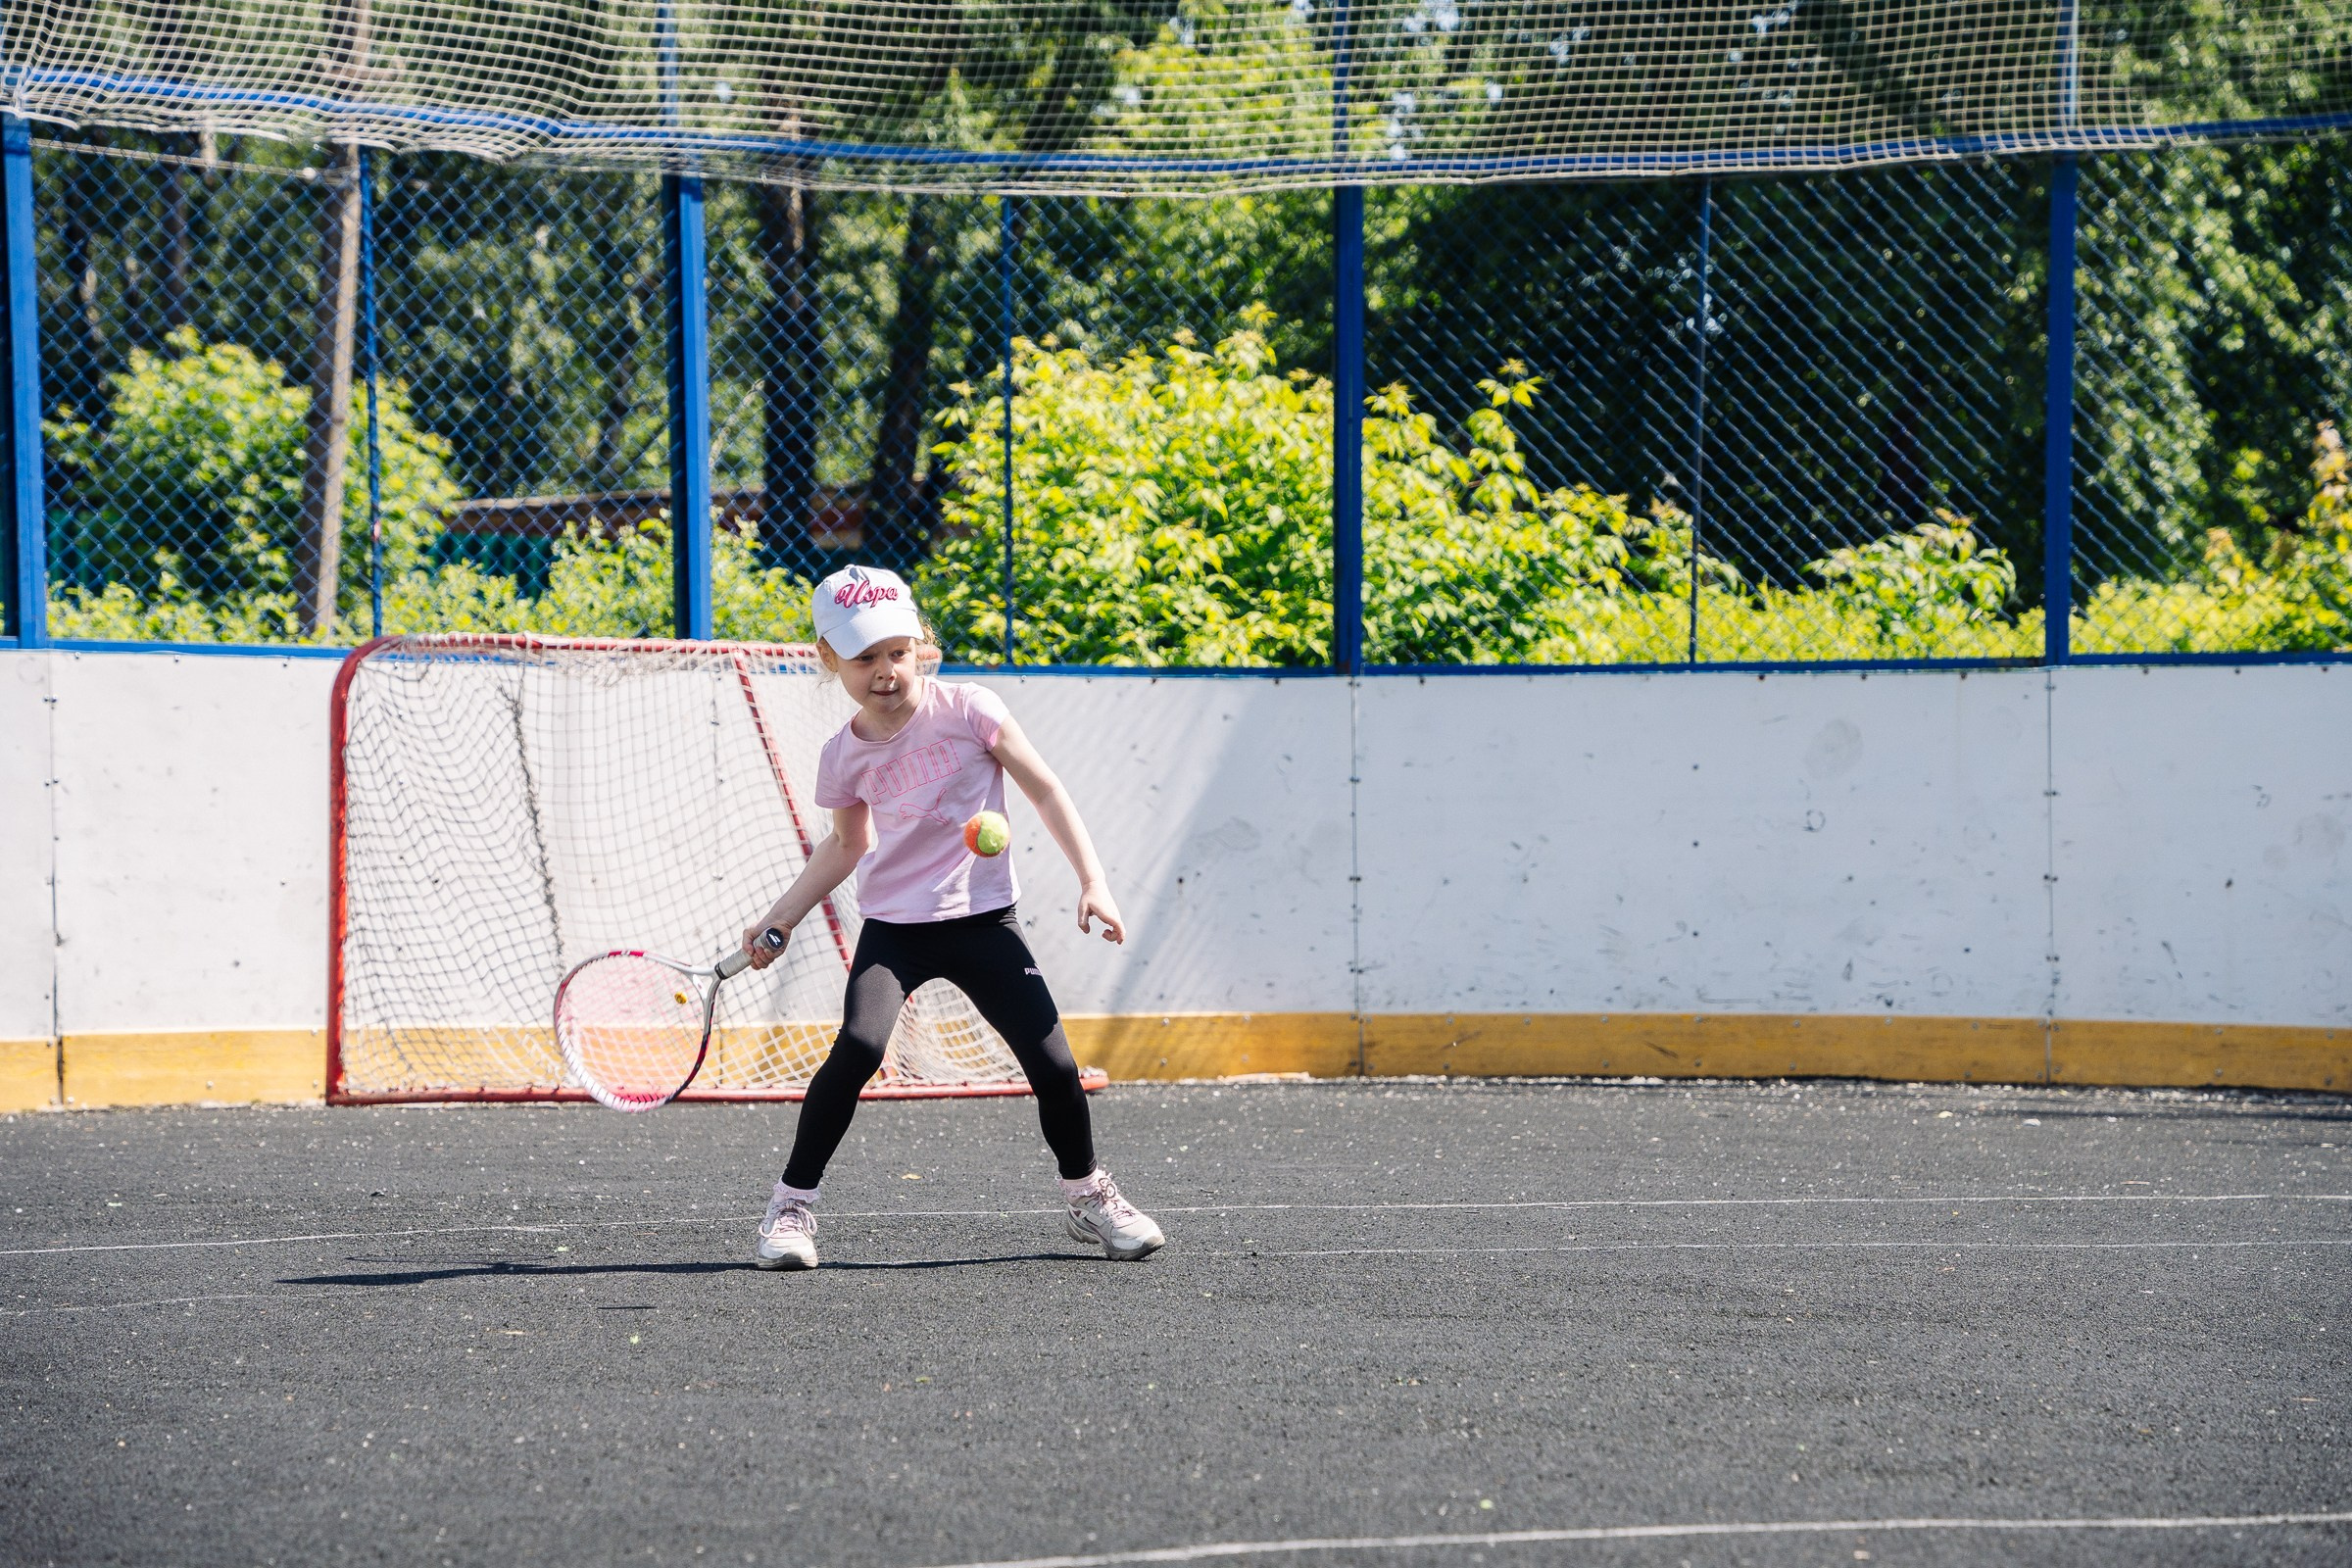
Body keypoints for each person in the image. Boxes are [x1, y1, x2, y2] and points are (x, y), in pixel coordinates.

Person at [738, 564, 1164, 1270]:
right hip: (895, 933)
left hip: (983, 922)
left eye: (897, 652)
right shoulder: (841, 755)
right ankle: (790, 1207)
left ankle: (1090, 1196)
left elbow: (1047, 790)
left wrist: (1094, 882)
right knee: (860, 1048)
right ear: (828, 659)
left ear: (921, 646)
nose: (885, 671)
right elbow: (848, 845)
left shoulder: (971, 708)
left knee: (1056, 1066)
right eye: (865, 657)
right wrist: (779, 918)